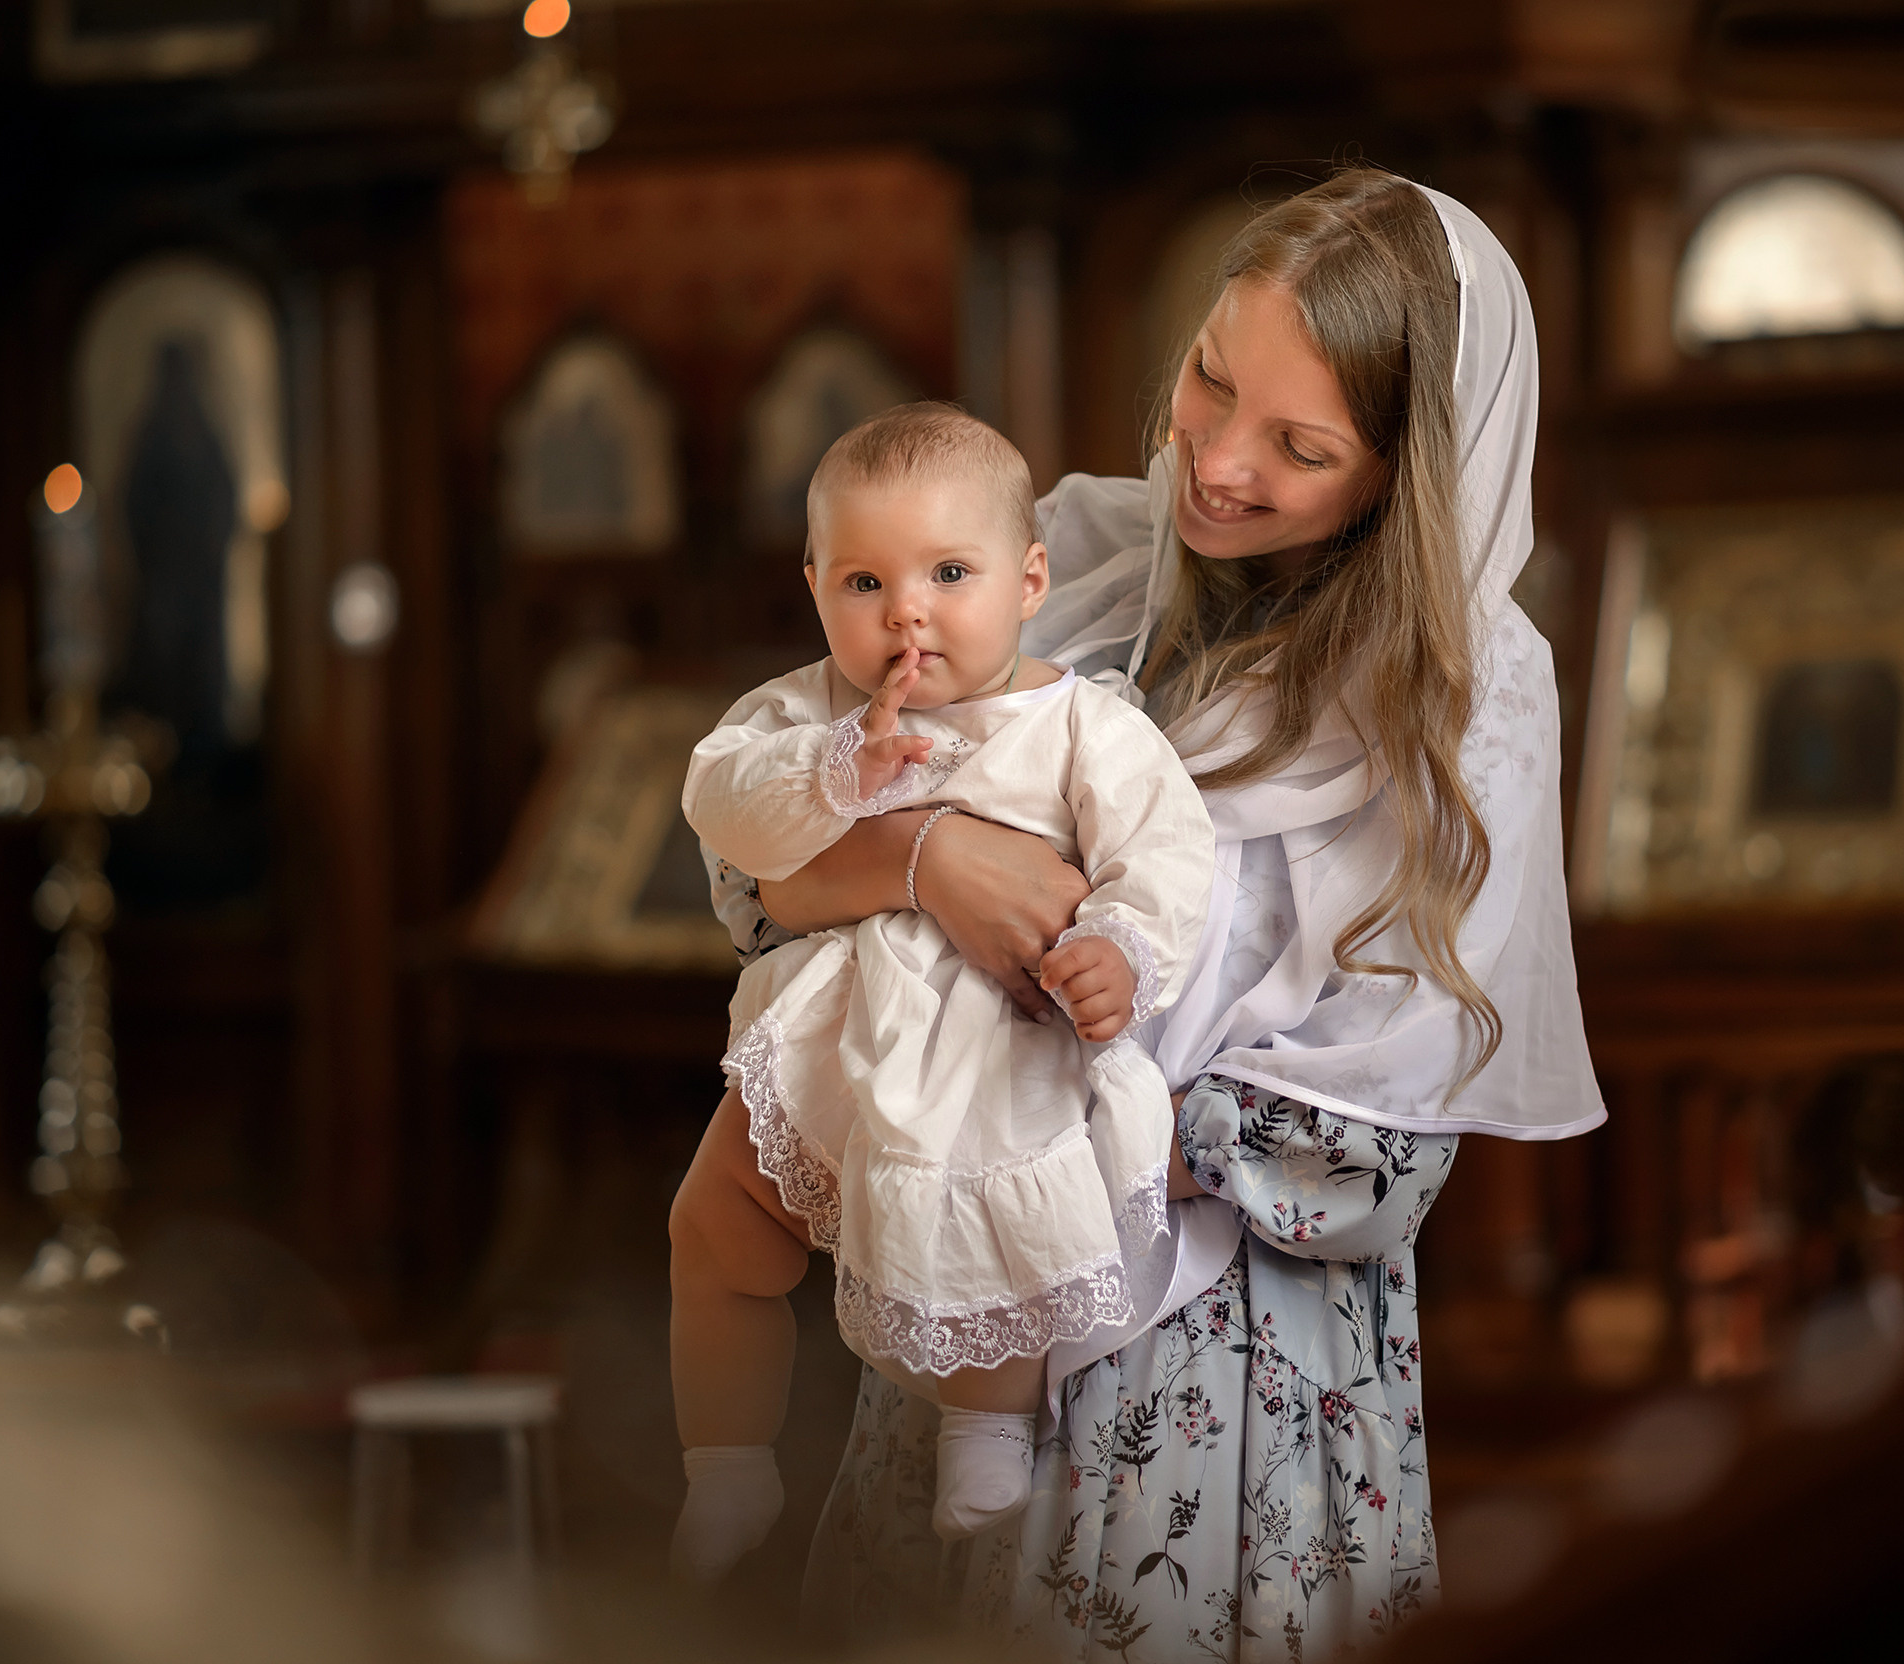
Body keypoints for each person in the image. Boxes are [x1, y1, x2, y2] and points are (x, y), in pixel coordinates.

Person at [685, 166, 1604, 1660]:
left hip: (1220, 1376)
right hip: (960, 1293)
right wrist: (930, 864)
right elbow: (757, 861)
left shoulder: (1464, 699)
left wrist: (1049, 1091)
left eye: (1298, 446)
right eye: (1209, 381)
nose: (1218, 463)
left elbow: (1375, 1149)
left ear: (1402, 474)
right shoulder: (1066, 557)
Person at [668, 405, 1216, 1581]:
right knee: (712, 1224)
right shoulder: (809, 709)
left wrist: (1118, 945)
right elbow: (721, 802)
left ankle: (986, 1422)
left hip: (990, 1041)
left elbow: (1165, 851)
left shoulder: (1082, 720)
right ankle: (725, 1464)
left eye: (948, 573)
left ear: (1028, 581)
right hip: (836, 1036)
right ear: (812, 584)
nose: (904, 612)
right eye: (864, 579)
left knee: (988, 1226)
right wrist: (835, 770)